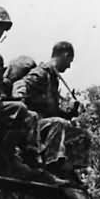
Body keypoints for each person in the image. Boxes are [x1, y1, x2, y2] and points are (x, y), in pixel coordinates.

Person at [0, 5, 41, 168]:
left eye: (3, 29)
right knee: (15, 109)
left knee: (27, 114)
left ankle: (17, 157)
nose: (0, 33)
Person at [17, 41, 88, 178]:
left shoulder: (53, 78)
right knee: (58, 123)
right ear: (65, 55)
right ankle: (52, 166)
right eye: (69, 61)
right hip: (31, 124)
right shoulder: (41, 72)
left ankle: (69, 169)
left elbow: (52, 111)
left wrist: (69, 113)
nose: (69, 66)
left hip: (45, 124)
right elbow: (21, 87)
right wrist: (24, 106)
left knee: (80, 133)